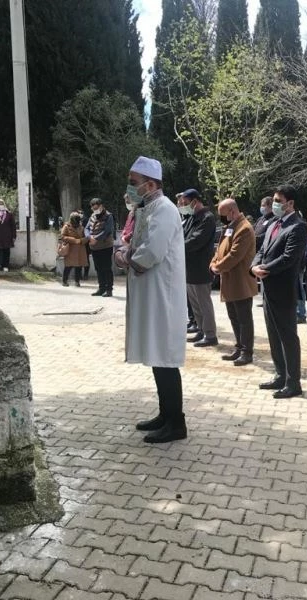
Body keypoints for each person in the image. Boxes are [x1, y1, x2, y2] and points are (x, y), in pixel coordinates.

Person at [113, 156, 187, 444]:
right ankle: (165, 414)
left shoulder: (166, 210)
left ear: (151, 183)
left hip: (163, 298)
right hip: (151, 295)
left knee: (166, 359)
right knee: (158, 357)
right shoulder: (148, 209)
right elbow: (133, 244)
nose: (130, 189)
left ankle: (176, 423)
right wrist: (126, 253)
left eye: (134, 183)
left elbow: (151, 252)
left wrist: (126, 257)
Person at [251, 184, 307, 399]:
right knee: (273, 334)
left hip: (283, 289)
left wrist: (263, 269)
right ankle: (280, 374)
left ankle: (293, 382)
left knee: (287, 336)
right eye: (274, 200)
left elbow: (288, 258)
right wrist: (254, 266)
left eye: (278, 200)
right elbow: (262, 251)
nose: (275, 204)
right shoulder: (274, 223)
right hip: (267, 288)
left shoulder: (298, 227)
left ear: (290, 203)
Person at [210, 198, 257, 366]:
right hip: (229, 280)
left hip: (241, 281)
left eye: (223, 215)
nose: (222, 218)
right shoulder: (229, 227)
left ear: (232, 211)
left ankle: (247, 351)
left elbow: (235, 255)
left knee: (244, 318)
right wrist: (214, 262)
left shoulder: (244, 228)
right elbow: (220, 249)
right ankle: (239, 347)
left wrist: (218, 267)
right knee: (234, 317)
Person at [179, 189, 218, 347]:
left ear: (195, 201)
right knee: (195, 303)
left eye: (185, 203)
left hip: (201, 267)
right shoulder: (192, 218)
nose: (183, 206)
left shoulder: (207, 219)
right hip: (189, 267)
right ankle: (201, 330)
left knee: (204, 303)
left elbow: (196, 240)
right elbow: (182, 236)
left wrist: (176, 246)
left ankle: (210, 335)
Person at [85, 198, 115, 297]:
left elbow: (107, 231)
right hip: (94, 247)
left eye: (97, 208)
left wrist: (96, 238)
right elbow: (87, 228)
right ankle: (101, 288)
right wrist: (89, 237)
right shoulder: (92, 216)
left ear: (101, 206)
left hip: (106, 246)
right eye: (93, 208)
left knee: (106, 267)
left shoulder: (108, 216)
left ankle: (109, 289)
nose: (95, 210)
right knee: (98, 268)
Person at [59, 211, 87, 287]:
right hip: (70, 249)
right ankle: (64, 281)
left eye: (78, 220)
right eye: (75, 220)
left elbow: (86, 237)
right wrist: (74, 240)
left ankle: (77, 281)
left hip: (80, 249)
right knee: (68, 266)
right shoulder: (66, 226)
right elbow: (62, 237)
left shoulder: (81, 227)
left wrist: (81, 240)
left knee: (78, 266)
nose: (76, 222)